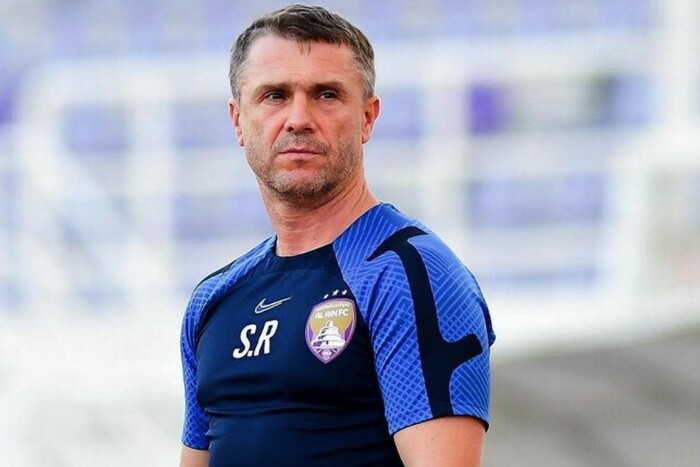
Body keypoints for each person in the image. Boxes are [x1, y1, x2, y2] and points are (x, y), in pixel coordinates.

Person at [179, 4, 495, 466]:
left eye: (326, 95)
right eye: (274, 95)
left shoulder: (409, 275)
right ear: (237, 120)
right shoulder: (213, 299)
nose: (298, 118)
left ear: (368, 117)